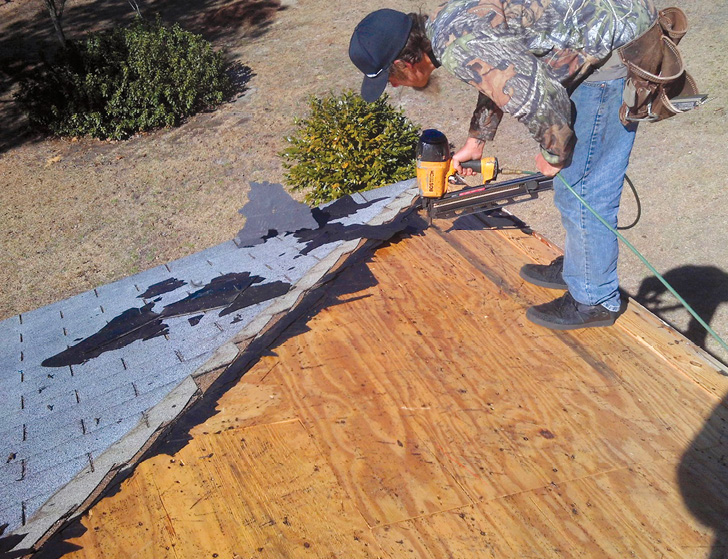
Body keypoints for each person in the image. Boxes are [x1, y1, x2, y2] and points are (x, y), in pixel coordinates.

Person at [349, 0, 658, 330]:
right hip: (595, 34)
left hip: (612, 51)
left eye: (390, 78)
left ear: (403, 64)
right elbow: (503, 65)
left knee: (584, 191)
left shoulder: (456, 46)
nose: (393, 85)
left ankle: (594, 300)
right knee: (573, 187)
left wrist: (555, 154)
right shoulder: (444, 22)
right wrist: (477, 138)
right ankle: (580, 268)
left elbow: (542, 96)